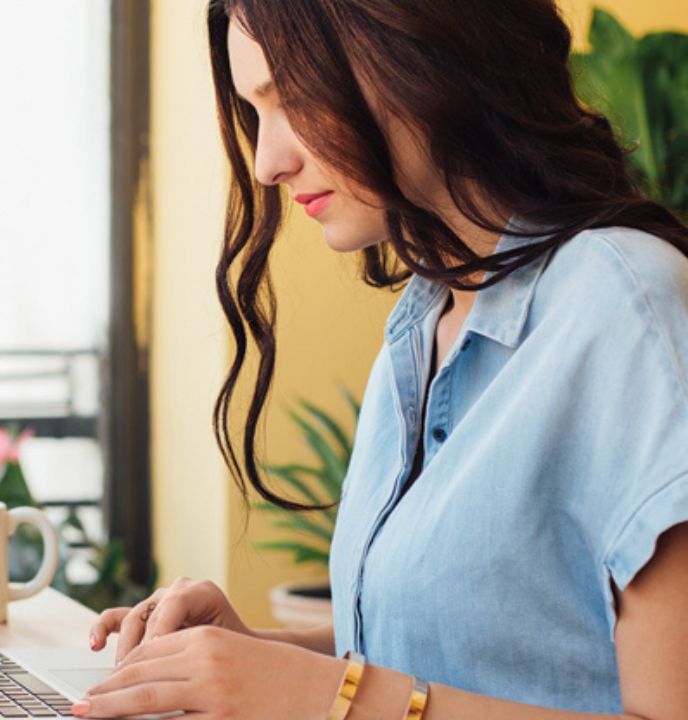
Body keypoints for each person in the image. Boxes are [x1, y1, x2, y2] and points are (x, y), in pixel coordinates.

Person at [72, 1, 688, 718]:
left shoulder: (628, 304)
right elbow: (470, 650)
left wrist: (321, 695)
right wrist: (249, 658)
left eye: (292, 99)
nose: (269, 161)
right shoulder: (425, 316)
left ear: (424, 57)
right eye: (254, 111)